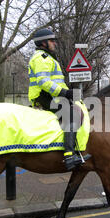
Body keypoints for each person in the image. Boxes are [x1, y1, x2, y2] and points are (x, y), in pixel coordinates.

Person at [28, 28, 91, 171]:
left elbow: (55, 82)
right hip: (42, 96)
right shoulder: (41, 58)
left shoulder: (48, 57)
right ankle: (69, 156)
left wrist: (68, 94)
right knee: (72, 113)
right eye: (51, 41)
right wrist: (65, 93)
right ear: (43, 43)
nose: (54, 43)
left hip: (51, 95)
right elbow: (43, 82)